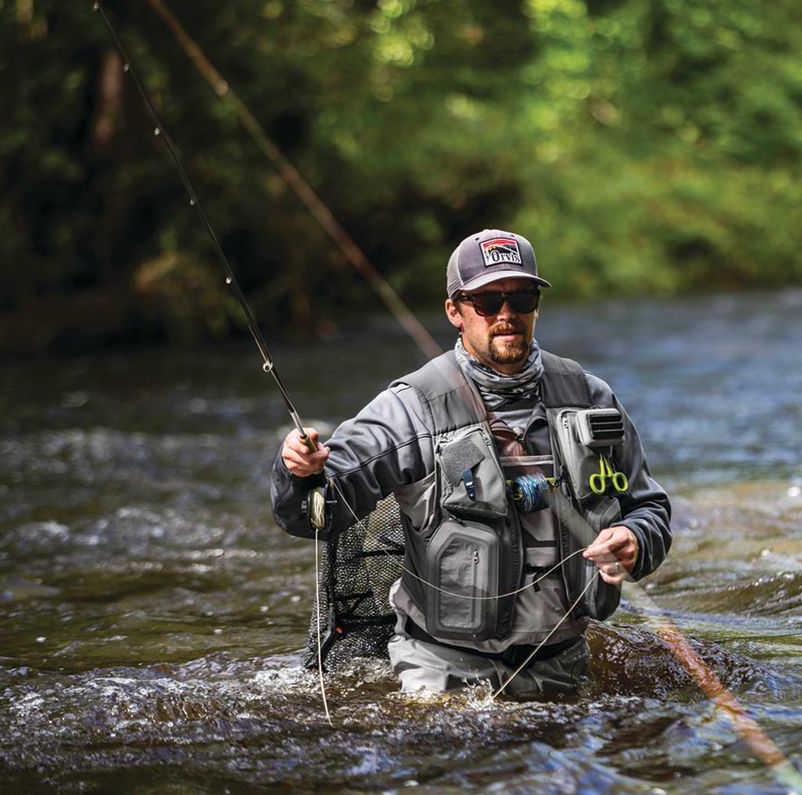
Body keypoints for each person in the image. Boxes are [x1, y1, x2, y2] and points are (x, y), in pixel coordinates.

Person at [271, 228, 672, 696]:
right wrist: (298, 472)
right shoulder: (409, 407)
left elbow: (651, 511)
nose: (507, 315)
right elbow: (315, 514)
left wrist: (634, 539)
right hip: (441, 670)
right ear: (455, 312)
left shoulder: (591, 397)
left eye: (520, 298)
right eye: (487, 302)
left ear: (536, 307)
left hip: (563, 663)